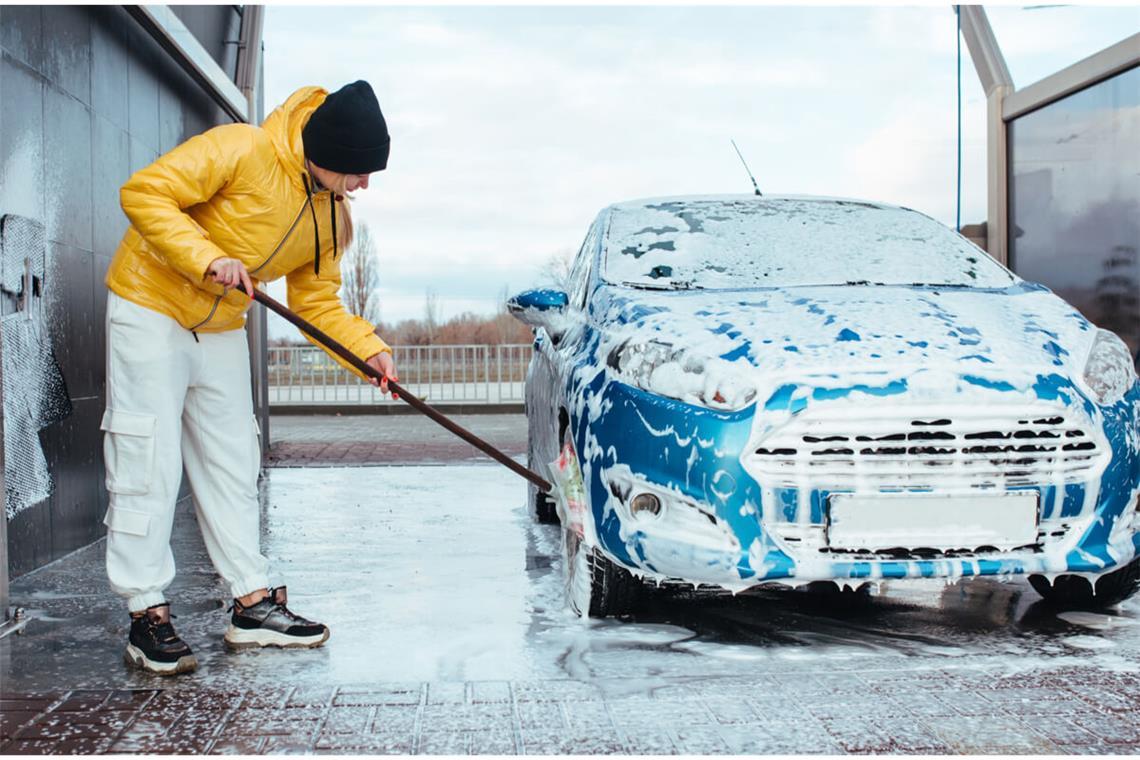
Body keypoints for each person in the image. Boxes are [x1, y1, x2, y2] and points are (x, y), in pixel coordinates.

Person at [101, 81, 398, 675]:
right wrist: (206, 256)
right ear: (328, 150)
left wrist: (365, 350)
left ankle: (252, 604)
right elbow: (145, 192)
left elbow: (317, 303)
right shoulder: (243, 150)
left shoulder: (331, 216)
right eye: (359, 171)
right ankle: (146, 613)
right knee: (148, 458)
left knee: (234, 459)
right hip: (150, 305)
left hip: (218, 325)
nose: (365, 185)